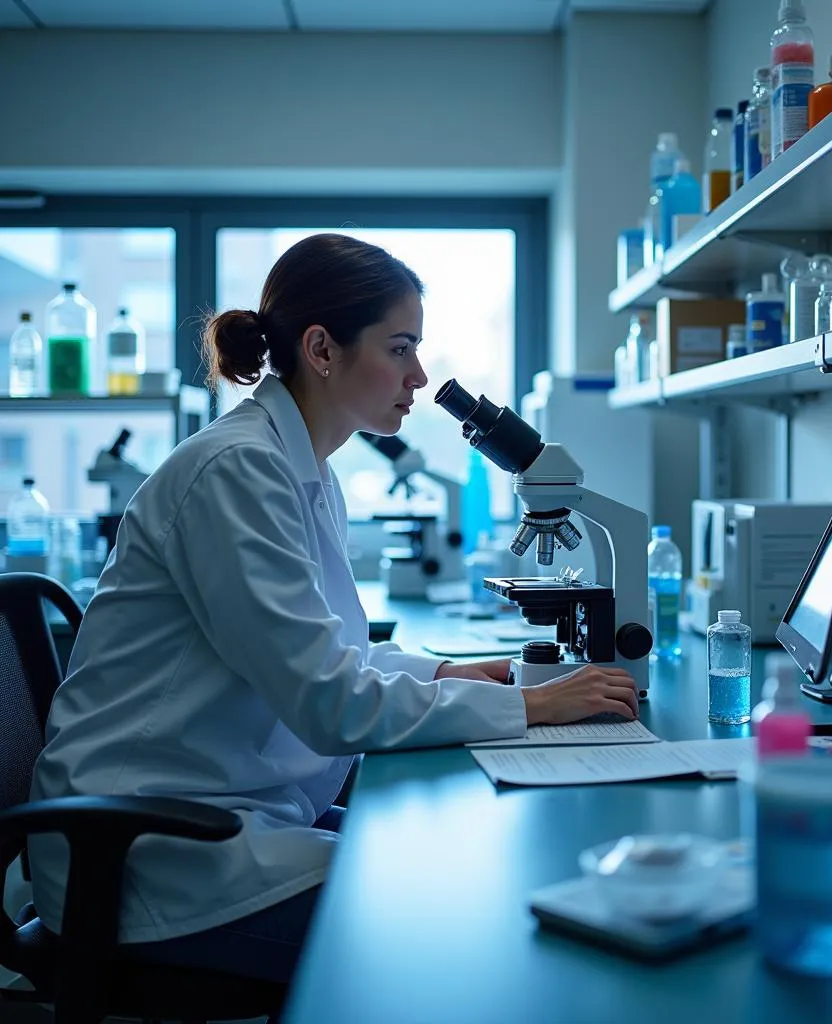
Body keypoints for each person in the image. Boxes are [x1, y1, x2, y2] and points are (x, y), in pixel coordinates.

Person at [28, 233, 639, 986]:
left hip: (228, 813)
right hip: (147, 858)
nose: (418, 374)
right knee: (454, 934)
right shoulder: (237, 471)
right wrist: (534, 708)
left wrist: (458, 671)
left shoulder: (298, 466)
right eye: (401, 346)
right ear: (322, 348)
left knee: (455, 866)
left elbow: (333, 655)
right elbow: (330, 703)